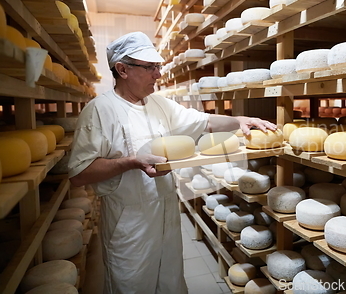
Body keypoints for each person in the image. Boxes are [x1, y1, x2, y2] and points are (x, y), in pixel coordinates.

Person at [68, 31, 276, 294]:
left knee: (171, 282)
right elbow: (78, 173)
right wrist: (131, 162)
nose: (158, 75)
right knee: (131, 286)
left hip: (166, 213)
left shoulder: (159, 104)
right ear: (122, 69)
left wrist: (241, 121)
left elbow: (204, 121)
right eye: (150, 68)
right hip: (129, 222)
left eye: (158, 67)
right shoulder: (100, 110)